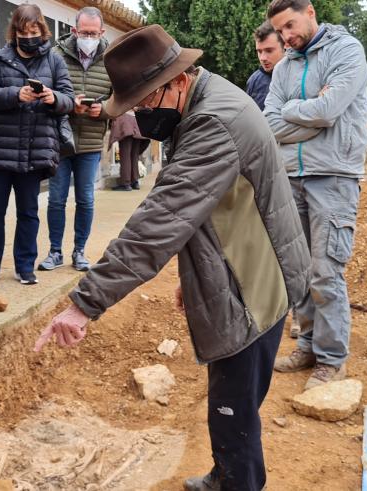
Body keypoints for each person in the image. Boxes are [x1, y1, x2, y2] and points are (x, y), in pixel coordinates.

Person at [34, 25, 310, 491]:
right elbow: (209, 204)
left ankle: (236, 483)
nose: (141, 114)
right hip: (245, 269)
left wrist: (84, 304)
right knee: (231, 405)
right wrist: (199, 273)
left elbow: (160, 220)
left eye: (144, 102)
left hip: (254, 287)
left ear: (177, 81)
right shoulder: (203, 103)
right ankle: (226, 477)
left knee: (233, 411)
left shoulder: (213, 121)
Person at [264, 0, 367, 390]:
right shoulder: (286, 65)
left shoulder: (346, 51)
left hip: (334, 176)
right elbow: (268, 121)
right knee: (298, 271)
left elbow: (330, 110)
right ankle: (306, 345)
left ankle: (331, 359)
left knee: (326, 271)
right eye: (281, 32)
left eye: (291, 25)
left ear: (310, 12)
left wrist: (298, 112)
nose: (287, 37)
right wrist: (307, 113)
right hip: (291, 175)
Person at [0, 4, 74, 286]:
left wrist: (53, 98)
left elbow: (68, 98)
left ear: (42, 30)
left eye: (34, 31)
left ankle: (25, 266)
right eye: (23, 31)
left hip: (35, 149)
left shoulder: (54, 61)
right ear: (14, 31)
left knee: (28, 212)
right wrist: (16, 94)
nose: (29, 36)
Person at [38, 7, 112, 273]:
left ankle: (79, 251)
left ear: (101, 32)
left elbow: (120, 97)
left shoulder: (112, 58)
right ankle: (54, 251)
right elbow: (46, 93)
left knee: (86, 199)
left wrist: (103, 109)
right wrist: (69, 105)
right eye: (84, 32)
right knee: (56, 198)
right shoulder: (56, 54)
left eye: (93, 33)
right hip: (60, 140)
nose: (89, 37)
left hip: (91, 141)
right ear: (74, 31)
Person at [246, 20, 285, 110]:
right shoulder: (254, 80)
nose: (262, 58)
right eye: (259, 51)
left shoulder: (300, 76)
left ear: (285, 46)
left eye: (269, 50)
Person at [108, 110, 149, 191]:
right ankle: (134, 182)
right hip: (137, 123)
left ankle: (125, 183)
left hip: (125, 123)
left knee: (125, 156)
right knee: (134, 156)